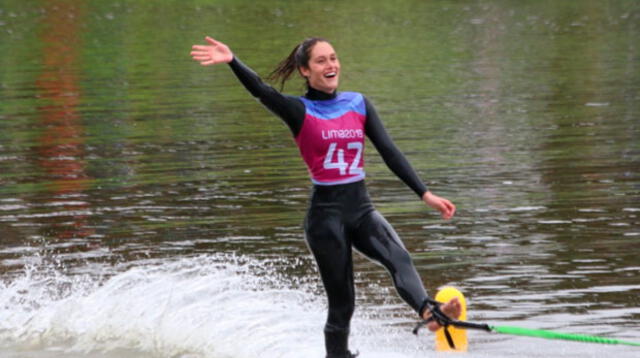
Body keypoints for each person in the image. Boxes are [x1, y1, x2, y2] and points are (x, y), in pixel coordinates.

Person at [191, 36, 461, 358]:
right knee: (343, 305)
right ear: (305, 70)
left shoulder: (358, 103)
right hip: (325, 218)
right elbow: (262, 91)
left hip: (361, 210)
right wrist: (233, 60)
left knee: (399, 258)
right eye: (321, 61)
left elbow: (389, 151)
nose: (330, 65)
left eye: (333, 58)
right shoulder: (298, 110)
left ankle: (429, 313)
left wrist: (424, 193)